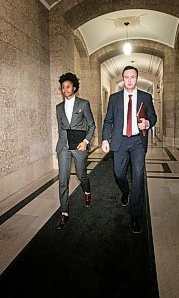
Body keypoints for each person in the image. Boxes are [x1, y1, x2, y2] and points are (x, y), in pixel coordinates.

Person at [101, 65, 157, 234]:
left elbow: (153, 116)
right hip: (120, 142)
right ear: (123, 78)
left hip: (138, 142)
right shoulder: (114, 98)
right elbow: (108, 120)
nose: (130, 80)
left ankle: (135, 215)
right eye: (126, 77)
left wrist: (147, 123)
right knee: (119, 174)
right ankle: (125, 191)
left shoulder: (145, 97)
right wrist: (105, 138)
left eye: (133, 77)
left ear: (137, 78)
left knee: (138, 177)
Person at [55, 72, 96, 230]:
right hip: (64, 148)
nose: (65, 89)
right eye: (63, 87)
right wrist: (60, 144)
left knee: (81, 175)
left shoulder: (83, 104)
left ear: (75, 88)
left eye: (68, 86)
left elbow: (91, 125)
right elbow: (60, 127)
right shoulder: (58, 107)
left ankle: (87, 190)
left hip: (79, 147)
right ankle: (64, 213)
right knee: (63, 180)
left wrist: (86, 142)